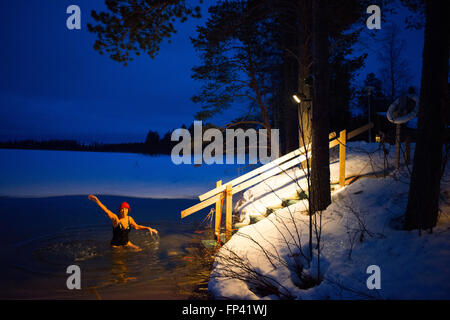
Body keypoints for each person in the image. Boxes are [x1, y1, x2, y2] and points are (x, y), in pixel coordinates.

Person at [88, 194, 158, 250]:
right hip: (116, 246)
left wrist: (148, 228)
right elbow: (106, 211)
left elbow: (137, 227)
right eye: (122, 209)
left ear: (128, 210)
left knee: (139, 250)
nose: (124, 211)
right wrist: (97, 200)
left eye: (126, 209)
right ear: (119, 210)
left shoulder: (129, 219)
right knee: (120, 262)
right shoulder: (116, 219)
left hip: (127, 243)